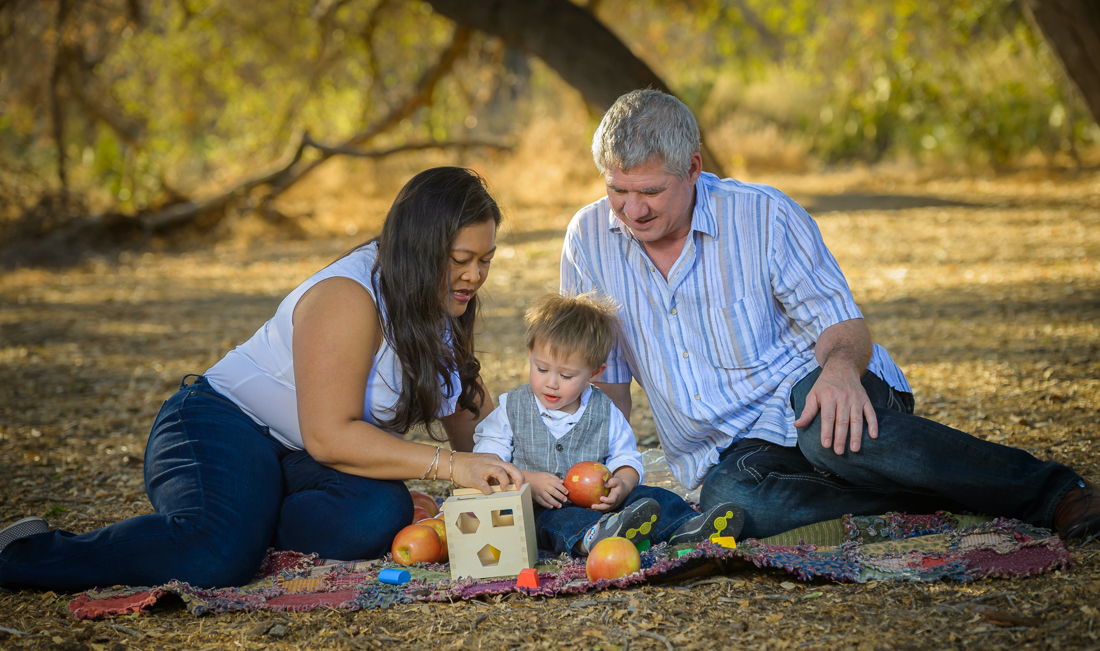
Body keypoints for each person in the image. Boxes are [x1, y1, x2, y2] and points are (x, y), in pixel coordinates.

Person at [559, 89, 1099, 541]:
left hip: (812, 391)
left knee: (826, 432)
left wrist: (841, 373)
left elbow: (841, 325)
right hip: (731, 453)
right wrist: (599, 464)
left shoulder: (763, 215)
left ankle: (1055, 492)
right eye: (616, 190)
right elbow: (603, 374)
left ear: (694, 168)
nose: (632, 210)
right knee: (731, 502)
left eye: (650, 191)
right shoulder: (588, 239)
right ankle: (927, 499)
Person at [0, 167, 524, 592]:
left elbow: (465, 399)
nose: (475, 276)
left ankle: (245, 520)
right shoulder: (348, 297)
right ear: (421, 249)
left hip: (298, 460)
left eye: (486, 260)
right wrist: (454, 468)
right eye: (462, 260)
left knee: (379, 511)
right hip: (220, 425)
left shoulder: (440, 301)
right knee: (216, 558)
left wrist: (511, 480)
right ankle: (29, 553)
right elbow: (330, 435)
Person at [473, 292, 743, 556]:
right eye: (542, 369)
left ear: (594, 372)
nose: (551, 383)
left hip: (600, 504)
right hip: (541, 509)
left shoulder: (604, 410)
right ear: (530, 354)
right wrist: (528, 481)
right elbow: (487, 462)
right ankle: (596, 538)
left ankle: (688, 526)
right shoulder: (512, 408)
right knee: (558, 523)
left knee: (651, 496)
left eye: (566, 375)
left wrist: (623, 485)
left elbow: (626, 456)